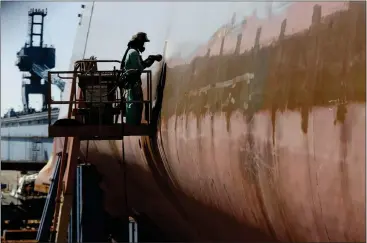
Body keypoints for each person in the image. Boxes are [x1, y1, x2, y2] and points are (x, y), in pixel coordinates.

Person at [121, 32, 162, 125]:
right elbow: (140, 67)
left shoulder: (131, 51)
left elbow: (140, 66)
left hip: (132, 82)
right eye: (142, 42)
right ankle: (134, 124)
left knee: (135, 104)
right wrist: (151, 58)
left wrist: (151, 59)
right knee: (137, 104)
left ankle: (134, 122)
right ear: (138, 42)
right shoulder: (134, 53)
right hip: (133, 82)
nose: (143, 45)